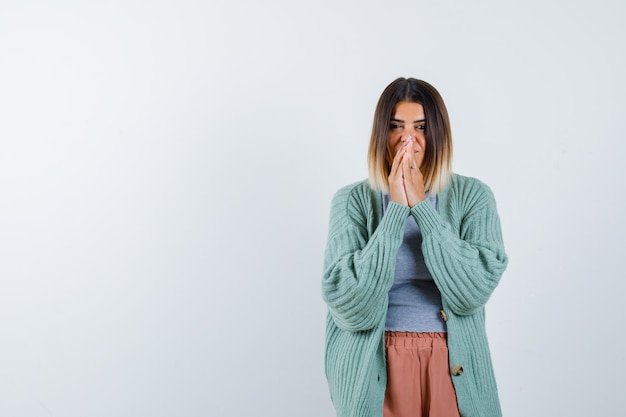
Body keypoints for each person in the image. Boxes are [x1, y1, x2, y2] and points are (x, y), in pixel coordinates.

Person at [321, 78, 508, 417]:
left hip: (452, 362)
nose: (409, 139)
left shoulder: (474, 197)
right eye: (396, 126)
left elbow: (473, 290)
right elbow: (347, 301)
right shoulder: (351, 201)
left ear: (437, 132)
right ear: (382, 134)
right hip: (377, 363)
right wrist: (395, 210)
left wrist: (422, 207)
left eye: (421, 126)